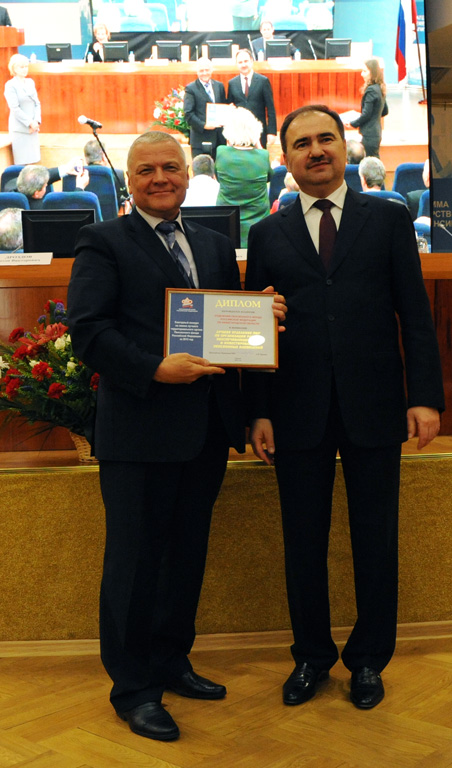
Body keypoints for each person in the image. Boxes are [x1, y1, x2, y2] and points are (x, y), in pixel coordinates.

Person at [67, 131, 286, 742]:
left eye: (170, 167)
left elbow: (227, 333)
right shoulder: (103, 240)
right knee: (135, 564)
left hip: (205, 433)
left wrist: (260, 317)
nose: (160, 178)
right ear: (129, 180)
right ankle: (134, 689)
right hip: (138, 434)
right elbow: (89, 332)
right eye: (146, 170)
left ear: (189, 174)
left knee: (186, 558)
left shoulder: (214, 244)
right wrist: (154, 368)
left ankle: (170, 661)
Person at [244, 104, 444, 712]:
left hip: (375, 406)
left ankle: (368, 660)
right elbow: (254, 332)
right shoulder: (267, 234)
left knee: (375, 540)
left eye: (325, 138)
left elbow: (415, 315)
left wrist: (424, 397)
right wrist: (258, 411)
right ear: (286, 158)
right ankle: (310, 655)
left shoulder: (388, 218)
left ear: (344, 145)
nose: (316, 150)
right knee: (302, 541)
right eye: (302, 143)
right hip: (294, 410)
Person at [216, 107, 272, 247]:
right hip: (258, 223)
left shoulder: (221, 152)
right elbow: (269, 176)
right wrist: (258, 144)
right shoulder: (263, 156)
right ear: (256, 130)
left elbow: (218, 177)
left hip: (227, 221)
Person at [227, 49, 277, 149]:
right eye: (240, 62)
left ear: (251, 61)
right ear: (237, 64)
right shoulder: (232, 83)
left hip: (258, 132)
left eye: (246, 61)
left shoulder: (263, 81)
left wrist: (272, 132)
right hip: (238, 134)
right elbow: (230, 109)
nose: (243, 65)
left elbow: (270, 108)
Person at [183, 57, 228, 161]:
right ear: (197, 72)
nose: (204, 73)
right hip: (200, 140)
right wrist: (204, 125)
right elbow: (188, 114)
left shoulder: (219, 86)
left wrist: (228, 109)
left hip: (219, 140)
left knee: (218, 169)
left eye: (207, 70)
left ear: (211, 70)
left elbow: (223, 106)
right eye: (201, 70)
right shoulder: (191, 88)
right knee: (202, 169)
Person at [4, 54, 41, 165]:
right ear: (14, 69)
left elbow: (37, 103)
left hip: (33, 128)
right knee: (22, 164)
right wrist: (30, 123)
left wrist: (36, 121)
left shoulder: (30, 82)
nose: (25, 69)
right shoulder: (10, 85)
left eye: (26, 66)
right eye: (22, 67)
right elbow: (15, 108)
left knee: (34, 162)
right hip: (21, 129)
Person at [349, 59, 388, 158]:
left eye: (365, 71)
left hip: (370, 134)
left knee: (370, 162)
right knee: (373, 159)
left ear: (372, 73)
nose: (361, 74)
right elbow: (385, 111)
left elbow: (366, 114)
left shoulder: (371, 90)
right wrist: (375, 115)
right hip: (376, 132)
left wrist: (352, 124)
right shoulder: (380, 88)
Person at [15, 162, 89, 209]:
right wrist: (80, 187)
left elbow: (35, 176)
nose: (47, 184)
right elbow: (71, 209)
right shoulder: (44, 209)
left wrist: (65, 169)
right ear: (36, 194)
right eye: (45, 186)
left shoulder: (12, 186)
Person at [83, 138, 128, 206]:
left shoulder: (77, 176)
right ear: (103, 156)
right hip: (112, 213)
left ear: (86, 158)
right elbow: (125, 202)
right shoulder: (117, 175)